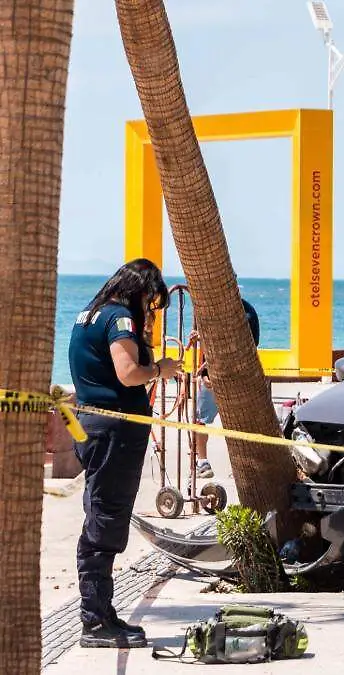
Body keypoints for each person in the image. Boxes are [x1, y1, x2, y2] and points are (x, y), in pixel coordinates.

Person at [68, 258, 182, 647]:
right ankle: (94, 621)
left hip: (92, 427)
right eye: (150, 302)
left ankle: (101, 611)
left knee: (102, 514)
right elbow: (127, 372)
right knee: (105, 521)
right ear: (139, 291)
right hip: (114, 433)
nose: (149, 311)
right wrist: (160, 370)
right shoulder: (118, 318)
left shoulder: (90, 313)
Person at [191, 282, 260, 478]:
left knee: (242, 423)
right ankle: (202, 461)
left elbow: (242, 347)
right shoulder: (207, 311)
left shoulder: (246, 313)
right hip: (210, 376)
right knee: (199, 419)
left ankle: (246, 468)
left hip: (234, 377)